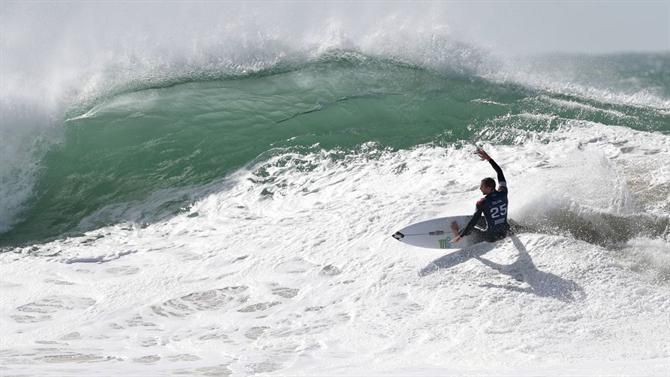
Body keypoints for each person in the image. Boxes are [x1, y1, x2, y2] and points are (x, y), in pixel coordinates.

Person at [451, 147, 510, 243]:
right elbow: (499, 172)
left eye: (482, 186)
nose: (480, 188)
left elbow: (473, 221)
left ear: (488, 188)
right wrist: (489, 159)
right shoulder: (503, 192)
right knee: (491, 219)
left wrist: (461, 235)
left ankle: (456, 235)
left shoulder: (482, 202)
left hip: (491, 237)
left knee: (469, 228)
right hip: (504, 232)